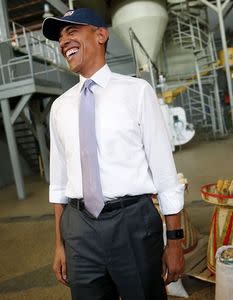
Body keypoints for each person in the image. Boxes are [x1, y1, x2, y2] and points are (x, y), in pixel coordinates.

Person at [43, 8, 185, 300]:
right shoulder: (60, 107)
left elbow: (165, 176)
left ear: (100, 35)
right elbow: (58, 186)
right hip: (78, 230)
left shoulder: (137, 92)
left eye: (71, 31)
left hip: (132, 223)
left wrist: (174, 242)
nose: (63, 41)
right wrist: (60, 245)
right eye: (60, 37)